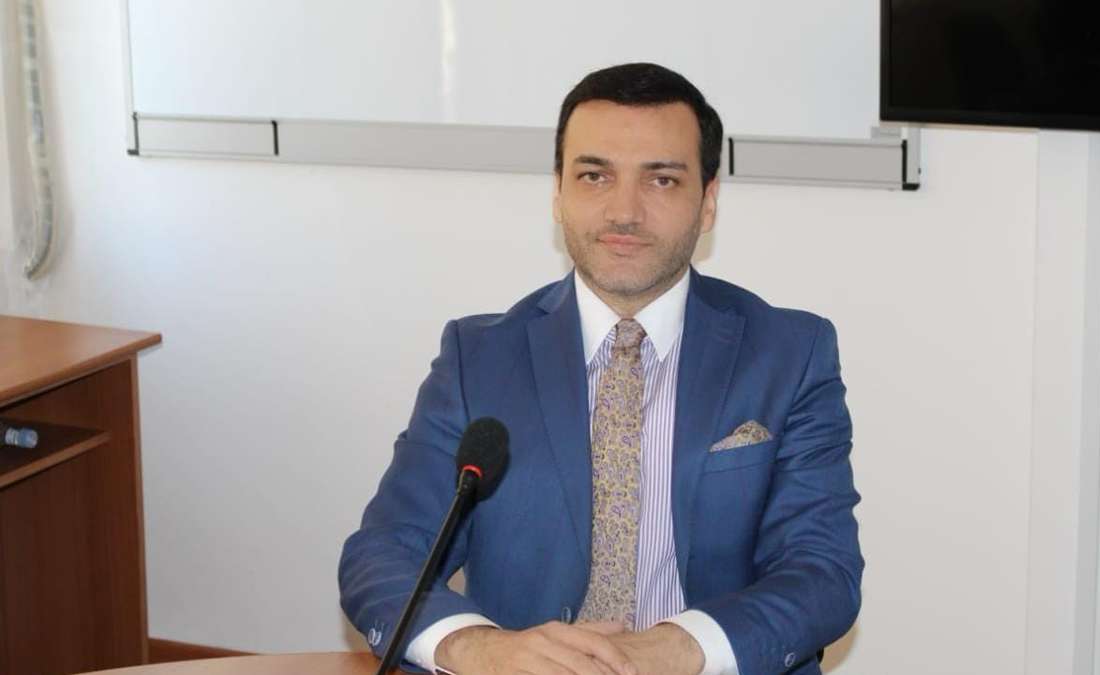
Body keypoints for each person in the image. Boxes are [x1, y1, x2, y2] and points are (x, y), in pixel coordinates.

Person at [339, 62, 862, 675]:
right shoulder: (477, 358)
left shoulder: (789, 353)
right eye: (594, 176)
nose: (624, 212)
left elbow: (822, 573)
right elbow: (384, 555)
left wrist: (678, 648)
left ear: (708, 202)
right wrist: (484, 650)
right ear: (557, 193)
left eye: (661, 180)